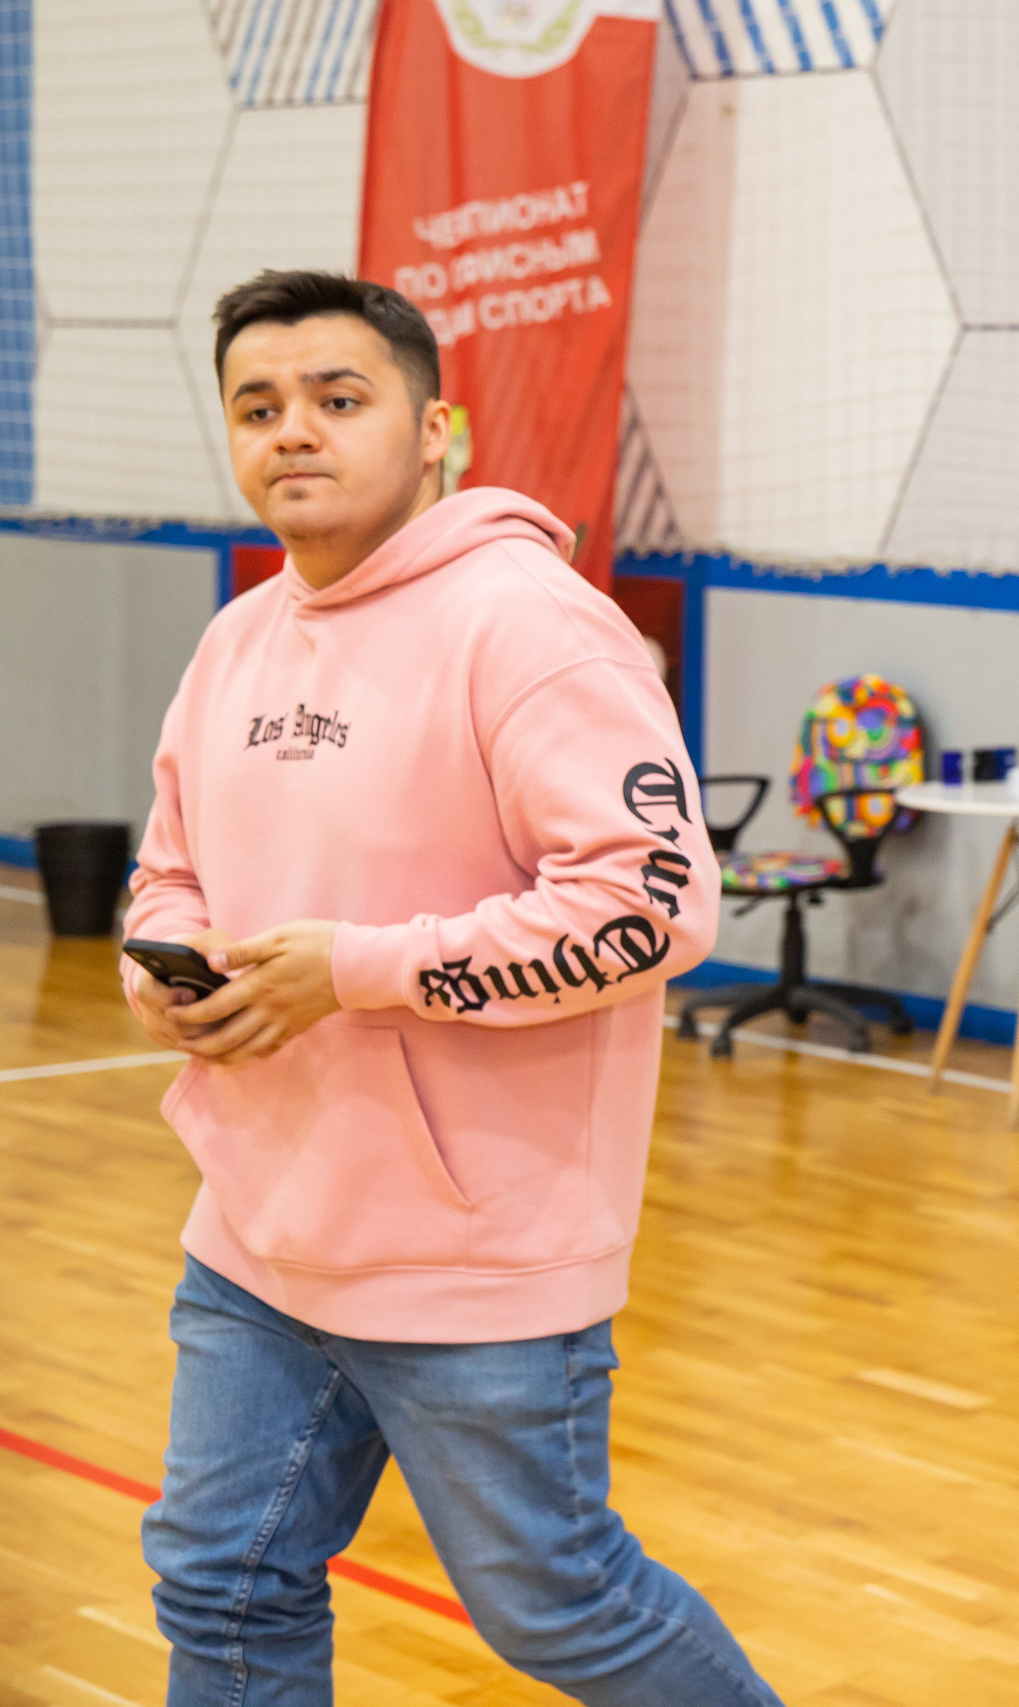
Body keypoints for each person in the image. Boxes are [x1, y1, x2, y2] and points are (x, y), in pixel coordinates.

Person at [121, 270, 783, 1706]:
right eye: (258, 406)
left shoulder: (533, 627)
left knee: (561, 1609)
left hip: (476, 1258)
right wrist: (159, 966)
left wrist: (354, 972)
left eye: (339, 399)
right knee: (217, 1580)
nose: (294, 431)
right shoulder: (236, 639)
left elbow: (650, 904)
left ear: (439, 429)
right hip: (255, 1230)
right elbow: (170, 868)